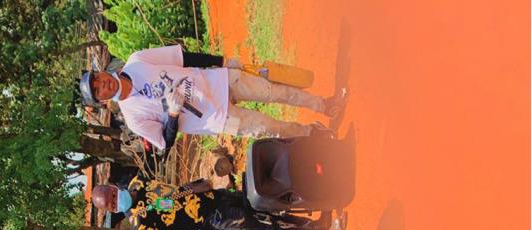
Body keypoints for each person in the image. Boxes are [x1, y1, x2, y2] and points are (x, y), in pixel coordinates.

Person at [79, 45, 347, 154]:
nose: (103, 84)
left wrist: (222, 62)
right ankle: (312, 133)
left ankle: (324, 105)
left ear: (101, 72)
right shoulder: (133, 117)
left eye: (98, 79)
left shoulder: (137, 60)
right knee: (271, 128)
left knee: (275, 91)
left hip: (220, 80)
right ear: (102, 101)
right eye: (98, 90)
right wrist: (173, 114)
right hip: (217, 119)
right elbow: (165, 141)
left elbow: (183, 57)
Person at [92, 177, 343, 230]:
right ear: (112, 211)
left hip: (213, 197)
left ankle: (314, 224)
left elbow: (169, 198)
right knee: (267, 227)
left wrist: (194, 187)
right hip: (214, 219)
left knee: (265, 207)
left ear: (113, 187)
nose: (115, 200)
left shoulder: (137, 183)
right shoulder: (139, 223)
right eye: (111, 204)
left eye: (112, 194)